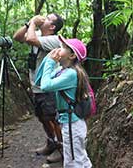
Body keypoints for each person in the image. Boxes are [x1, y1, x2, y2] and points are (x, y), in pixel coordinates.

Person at [13, 13, 64, 163]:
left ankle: (62, 149)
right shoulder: (38, 34)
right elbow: (17, 37)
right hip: (37, 86)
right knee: (42, 118)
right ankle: (51, 143)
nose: (43, 18)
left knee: (54, 119)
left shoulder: (54, 40)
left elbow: (30, 39)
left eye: (48, 18)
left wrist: (34, 22)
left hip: (49, 88)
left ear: (52, 27)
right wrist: (30, 24)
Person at [35, 36, 92, 168]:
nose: (59, 49)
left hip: (73, 124)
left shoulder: (71, 74)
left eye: (63, 48)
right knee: (78, 158)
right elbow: (39, 81)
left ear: (72, 55)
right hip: (70, 123)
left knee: (73, 161)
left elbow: (45, 86)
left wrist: (50, 62)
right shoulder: (62, 71)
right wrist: (47, 59)